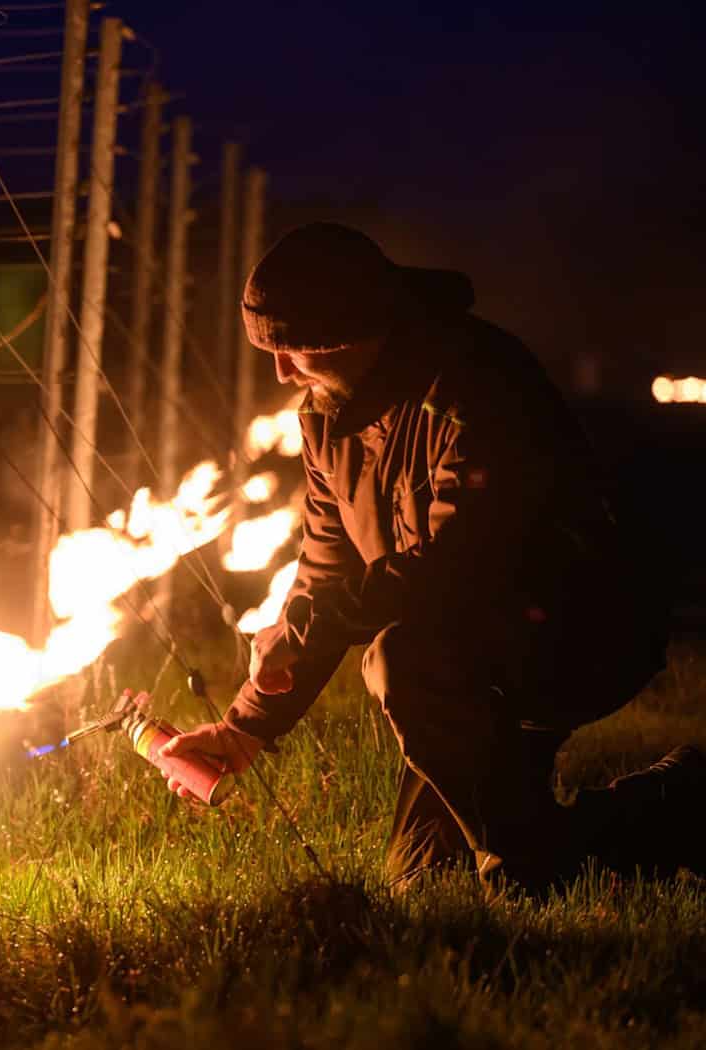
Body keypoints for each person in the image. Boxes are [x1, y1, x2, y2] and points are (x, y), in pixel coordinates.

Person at [161, 222, 702, 894]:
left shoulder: (479, 384)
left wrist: (307, 626)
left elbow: (457, 567)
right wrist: (245, 728)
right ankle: (667, 805)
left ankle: (554, 858)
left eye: (294, 350)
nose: (282, 371)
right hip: (465, 653)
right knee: (422, 879)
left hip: (574, 630)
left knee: (402, 659)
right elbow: (326, 572)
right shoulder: (327, 419)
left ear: (350, 333)